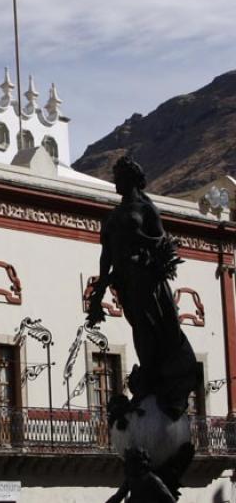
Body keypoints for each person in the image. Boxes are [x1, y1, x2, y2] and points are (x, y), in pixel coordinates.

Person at [87, 156, 199, 420]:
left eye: (119, 178)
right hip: (125, 280)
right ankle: (150, 372)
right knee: (139, 326)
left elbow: (161, 240)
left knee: (153, 325)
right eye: (115, 178)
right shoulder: (112, 216)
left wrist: (144, 251)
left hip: (146, 277)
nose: (115, 182)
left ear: (132, 180)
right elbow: (107, 253)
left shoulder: (146, 209)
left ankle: (155, 373)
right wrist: (102, 284)